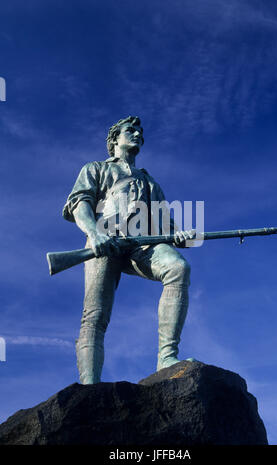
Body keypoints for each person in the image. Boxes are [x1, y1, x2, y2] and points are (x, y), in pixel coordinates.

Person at [63, 116, 196, 384]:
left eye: (140, 132)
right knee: (95, 315)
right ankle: (89, 385)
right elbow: (79, 204)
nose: (137, 134)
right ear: (114, 140)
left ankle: (166, 358)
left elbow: (164, 225)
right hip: (105, 243)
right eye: (130, 130)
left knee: (178, 267)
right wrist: (94, 233)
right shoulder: (96, 168)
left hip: (141, 245)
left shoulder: (150, 183)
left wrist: (178, 235)